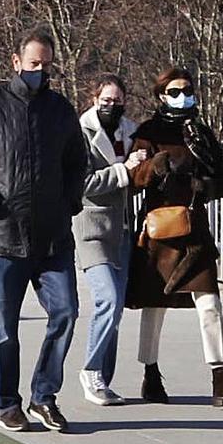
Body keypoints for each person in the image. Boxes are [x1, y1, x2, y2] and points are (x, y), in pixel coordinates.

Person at [0, 30, 88, 432]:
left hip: (52, 239)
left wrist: (69, 204)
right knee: (4, 329)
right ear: (16, 62)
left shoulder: (60, 110)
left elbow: (76, 163)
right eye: (33, 65)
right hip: (2, 241)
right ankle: (8, 403)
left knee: (65, 311)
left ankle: (44, 396)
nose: (40, 72)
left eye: (46, 66)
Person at [125, 67, 223, 407]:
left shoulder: (200, 131)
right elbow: (134, 175)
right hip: (159, 231)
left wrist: (204, 185)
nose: (182, 96)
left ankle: (220, 378)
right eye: (174, 91)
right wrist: (155, 166)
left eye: (187, 90)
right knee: (154, 307)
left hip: (195, 230)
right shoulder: (148, 132)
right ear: (160, 95)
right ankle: (150, 374)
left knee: (210, 303)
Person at [73, 73, 147, 406]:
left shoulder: (130, 133)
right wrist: (123, 171)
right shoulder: (80, 133)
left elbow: (138, 178)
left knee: (116, 309)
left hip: (123, 231)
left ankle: (103, 376)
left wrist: (143, 170)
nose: (112, 106)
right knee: (109, 300)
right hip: (91, 229)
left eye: (117, 101)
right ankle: (90, 370)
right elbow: (82, 184)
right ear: (93, 99)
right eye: (106, 101)